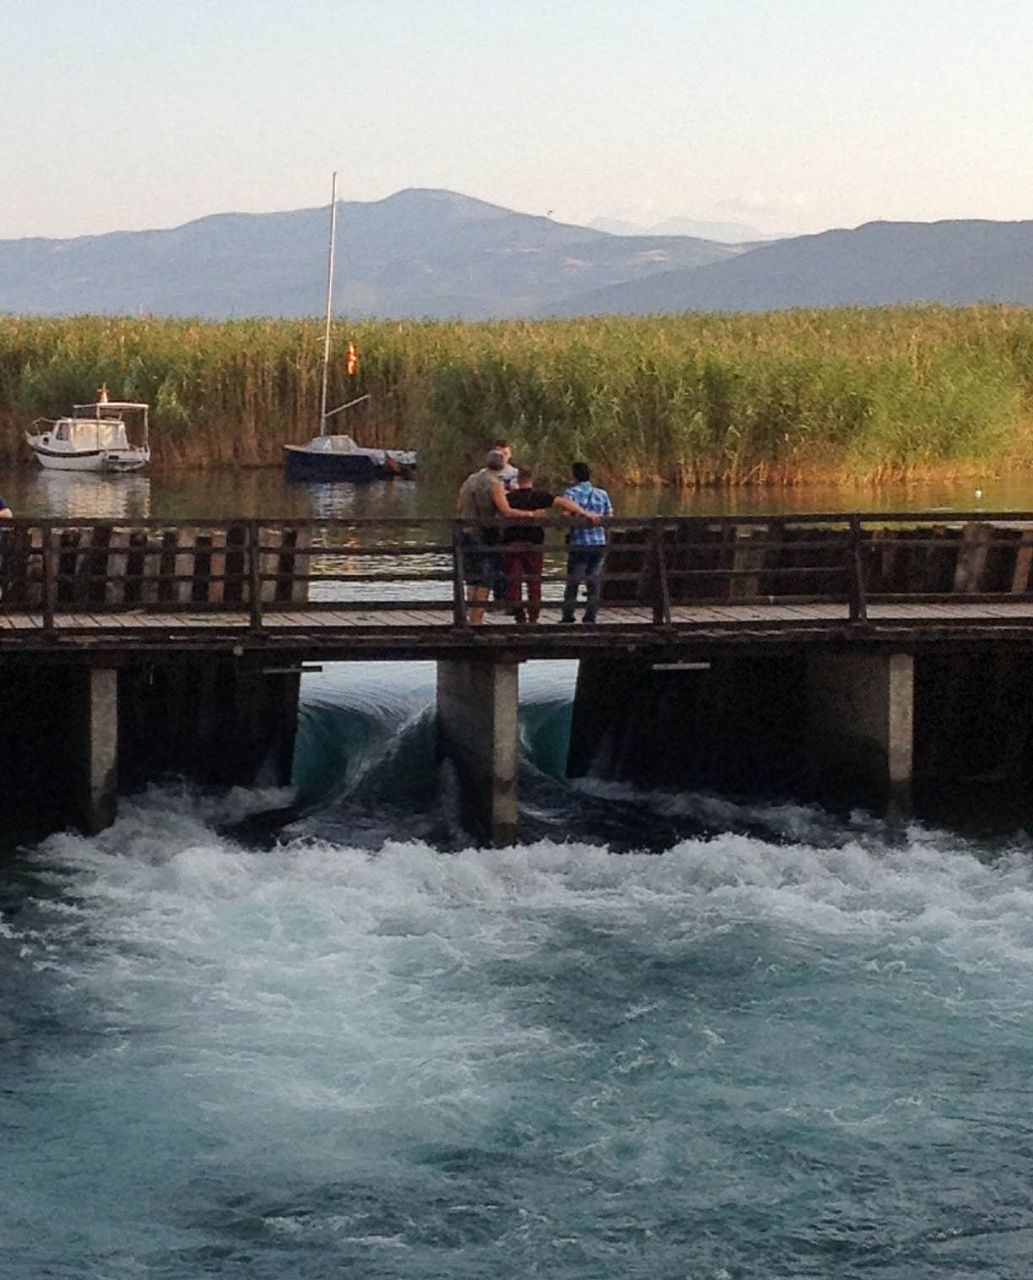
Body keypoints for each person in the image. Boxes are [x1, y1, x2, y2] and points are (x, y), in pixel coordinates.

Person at [503, 465, 599, 623]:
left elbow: (499, 514)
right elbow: (563, 503)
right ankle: (534, 617)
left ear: (518, 481)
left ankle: (519, 613)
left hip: (512, 542)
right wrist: (585, 513)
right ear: (531, 480)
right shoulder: (539, 496)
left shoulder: (509, 498)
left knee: (514, 581)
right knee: (534, 582)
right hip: (534, 543)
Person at [456, 451, 538, 624]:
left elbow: (459, 505)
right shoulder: (495, 484)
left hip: (466, 532)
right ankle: (477, 621)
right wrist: (530, 513)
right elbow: (506, 510)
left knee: (471, 578)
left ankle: (470, 619)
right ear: (502, 466)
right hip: (485, 534)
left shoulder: (470, 480)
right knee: (485, 578)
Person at [560, 461, 612, 624]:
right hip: (598, 542)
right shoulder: (602, 494)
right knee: (593, 580)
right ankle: (590, 616)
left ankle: (568, 615)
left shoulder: (571, 493)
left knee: (574, 580)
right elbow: (609, 517)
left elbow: (566, 515)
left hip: (580, 542)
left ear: (574, 476)